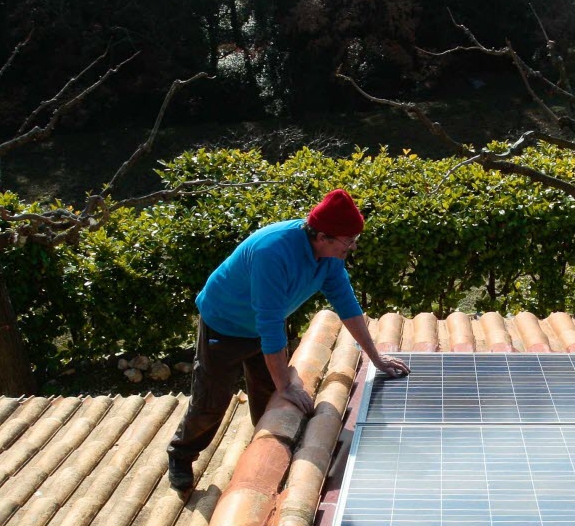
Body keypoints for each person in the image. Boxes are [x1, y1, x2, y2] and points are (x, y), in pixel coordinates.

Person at [166, 188, 410, 492]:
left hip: (264, 325)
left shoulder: (330, 258)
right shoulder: (273, 252)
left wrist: (375, 357)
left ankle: (267, 456)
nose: (353, 247)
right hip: (225, 325)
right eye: (348, 241)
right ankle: (181, 454)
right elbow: (269, 324)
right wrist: (286, 383)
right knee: (211, 403)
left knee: (270, 398)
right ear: (322, 236)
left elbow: (347, 306)